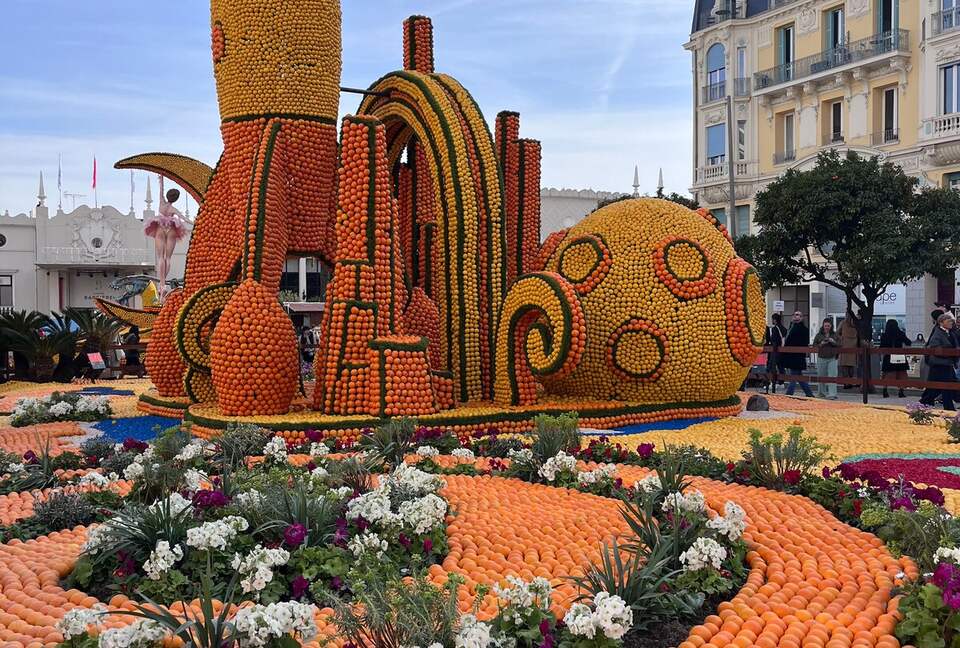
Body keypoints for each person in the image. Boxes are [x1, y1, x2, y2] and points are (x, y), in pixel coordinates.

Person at [144, 175, 188, 299]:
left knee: (160, 257)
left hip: (160, 228)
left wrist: (161, 177)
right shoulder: (173, 208)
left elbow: (161, 190)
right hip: (172, 229)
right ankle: (164, 283)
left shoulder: (162, 202)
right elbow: (183, 218)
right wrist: (194, 222)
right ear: (176, 199)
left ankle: (161, 285)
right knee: (168, 258)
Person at [920, 312, 959, 411]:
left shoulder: (950, 333)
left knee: (937, 387)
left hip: (946, 364)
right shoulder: (938, 333)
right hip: (940, 364)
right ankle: (948, 408)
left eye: (951, 321)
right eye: (948, 320)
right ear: (941, 322)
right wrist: (949, 351)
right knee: (946, 386)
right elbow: (934, 347)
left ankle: (923, 403)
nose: (951, 322)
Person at [782, 311, 814, 397]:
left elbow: (801, 342)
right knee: (798, 376)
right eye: (795, 315)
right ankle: (809, 394)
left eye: (799, 315)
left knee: (794, 376)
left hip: (797, 355)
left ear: (802, 318)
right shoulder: (791, 327)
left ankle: (789, 394)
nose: (796, 317)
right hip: (791, 355)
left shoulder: (803, 329)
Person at [879, 319, 911, 398]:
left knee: (887, 374)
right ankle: (901, 391)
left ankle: (885, 390)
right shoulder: (900, 334)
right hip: (899, 356)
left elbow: (881, 347)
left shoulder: (884, 335)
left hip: (888, 357)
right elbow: (908, 342)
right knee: (901, 374)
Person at [813, 319, 840, 399]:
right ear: (823, 326)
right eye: (825, 326)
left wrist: (833, 342)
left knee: (832, 375)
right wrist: (821, 343)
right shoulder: (819, 335)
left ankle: (832, 394)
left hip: (832, 357)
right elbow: (814, 345)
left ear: (831, 326)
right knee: (821, 375)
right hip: (821, 357)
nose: (827, 327)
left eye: (828, 326)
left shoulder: (835, 334)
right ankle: (821, 393)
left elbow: (840, 344)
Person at [764, 314, 787, 394]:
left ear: (775, 320)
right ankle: (781, 383)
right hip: (782, 350)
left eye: (772, 319)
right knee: (781, 366)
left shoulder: (775, 329)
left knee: (771, 366)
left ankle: (771, 383)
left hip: (775, 350)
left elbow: (773, 340)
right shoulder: (783, 328)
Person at [838, 310, 860, 389]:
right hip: (854, 346)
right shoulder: (856, 324)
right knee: (851, 366)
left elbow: (837, 332)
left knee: (845, 366)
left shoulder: (843, 323)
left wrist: (842, 339)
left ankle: (846, 383)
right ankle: (851, 381)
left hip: (844, 346)